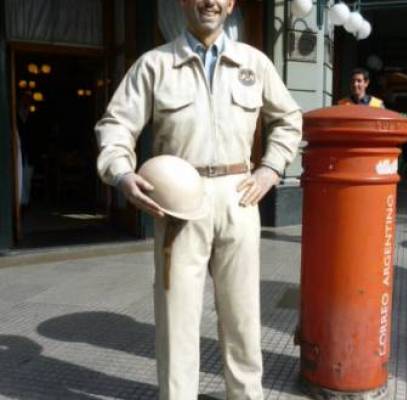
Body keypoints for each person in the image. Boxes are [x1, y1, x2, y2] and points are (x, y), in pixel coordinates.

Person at [94, 1, 302, 399]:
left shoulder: (253, 64)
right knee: (177, 319)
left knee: (242, 317)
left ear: (231, 4)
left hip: (239, 197)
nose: (210, 1)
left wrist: (271, 168)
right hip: (177, 202)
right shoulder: (155, 65)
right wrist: (121, 173)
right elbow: (116, 124)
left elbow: (289, 119)